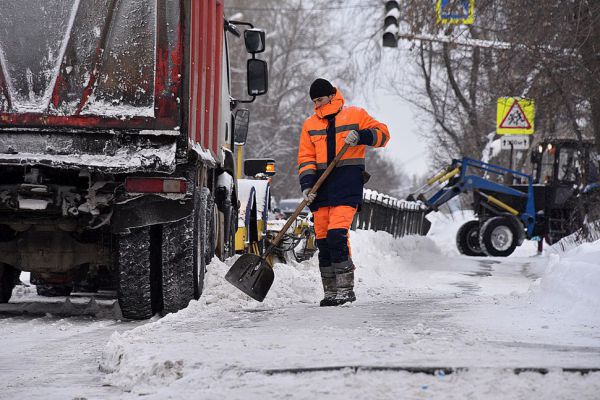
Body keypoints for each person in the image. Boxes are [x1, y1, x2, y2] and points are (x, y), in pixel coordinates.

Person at [297, 78, 390, 306]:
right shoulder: (310, 125)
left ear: (331, 95)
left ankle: (345, 289)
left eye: (320, 99)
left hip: (347, 186)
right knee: (323, 242)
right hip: (321, 191)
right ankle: (330, 291)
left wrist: (362, 136)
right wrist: (307, 186)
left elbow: (383, 134)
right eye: (314, 101)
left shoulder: (355, 115)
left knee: (337, 235)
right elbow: (306, 158)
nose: (317, 104)